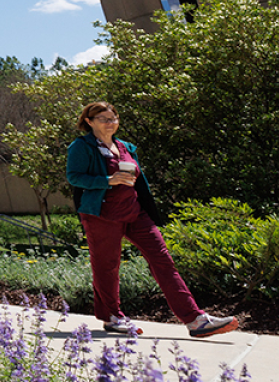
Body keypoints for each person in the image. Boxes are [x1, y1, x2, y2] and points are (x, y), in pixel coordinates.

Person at [67, 102, 238, 338]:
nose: (111, 122)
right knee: (107, 267)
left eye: (113, 117)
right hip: (102, 214)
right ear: (89, 121)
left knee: (163, 260)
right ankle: (113, 317)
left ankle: (195, 320)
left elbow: (137, 178)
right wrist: (108, 179)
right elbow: (74, 177)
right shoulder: (82, 146)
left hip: (135, 212)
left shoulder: (125, 147)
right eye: (104, 119)